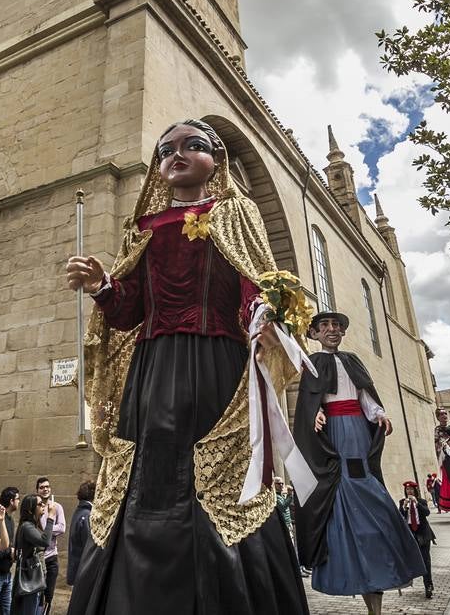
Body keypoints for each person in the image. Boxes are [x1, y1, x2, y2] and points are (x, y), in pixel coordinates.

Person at [66, 119, 314, 615]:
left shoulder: (235, 211)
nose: (176, 155)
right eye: (166, 150)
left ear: (214, 160)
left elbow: (252, 284)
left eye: (191, 146)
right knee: (147, 467)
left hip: (216, 369)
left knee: (216, 478)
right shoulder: (146, 227)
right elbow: (130, 309)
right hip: (153, 371)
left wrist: (263, 317)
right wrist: (103, 287)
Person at [292, 311, 425, 615]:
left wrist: (379, 414)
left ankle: (382, 565)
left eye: (336, 326)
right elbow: (309, 402)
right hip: (334, 434)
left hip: (358, 431)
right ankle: (356, 568)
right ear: (314, 333)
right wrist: (316, 413)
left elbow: (365, 395)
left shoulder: (352, 360)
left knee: (366, 488)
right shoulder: (313, 364)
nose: (332, 330)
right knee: (344, 493)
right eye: (325, 326)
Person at [12, 495, 56, 615]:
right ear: (30, 510)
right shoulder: (27, 526)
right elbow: (45, 541)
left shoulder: (33, 525)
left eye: (43, 503)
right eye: (40, 504)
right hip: (30, 580)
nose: (44, 506)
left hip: (36, 578)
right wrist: (51, 517)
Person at [399, 481, 435, 599]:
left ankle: (428, 585)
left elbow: (427, 513)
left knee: (426, 561)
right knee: (411, 560)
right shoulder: (402, 502)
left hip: (423, 535)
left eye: (411, 489)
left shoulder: (422, 501)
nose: (409, 491)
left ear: (415, 491)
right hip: (411, 535)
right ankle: (408, 582)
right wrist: (404, 508)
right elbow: (400, 518)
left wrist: (417, 503)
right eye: (407, 490)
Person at [0, 487, 19, 615]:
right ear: (11, 501)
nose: (19, 501)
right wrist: (10, 552)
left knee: (7, 611)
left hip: (6, 575)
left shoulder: (10, 519)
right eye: (17, 499)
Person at [35, 478, 65, 615]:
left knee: (49, 594)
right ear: (37, 490)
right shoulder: (35, 507)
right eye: (42, 487)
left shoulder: (57, 507)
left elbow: (62, 528)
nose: (45, 489)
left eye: (47, 486)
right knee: (36, 593)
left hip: (52, 556)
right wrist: (48, 531)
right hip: (38, 557)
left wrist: (46, 531)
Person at [66, 482, 95, 586]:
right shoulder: (87, 514)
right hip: (83, 569)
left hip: (78, 568)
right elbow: (88, 545)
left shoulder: (80, 511)